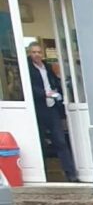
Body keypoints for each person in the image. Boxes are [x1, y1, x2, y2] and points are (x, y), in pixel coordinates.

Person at [26, 42, 78, 183]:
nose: (37, 55)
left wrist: (59, 92)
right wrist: (44, 94)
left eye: (39, 52)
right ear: (30, 53)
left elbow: (54, 82)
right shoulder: (27, 69)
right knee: (40, 142)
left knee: (60, 141)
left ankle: (70, 173)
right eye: (34, 52)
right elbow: (29, 87)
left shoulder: (47, 67)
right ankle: (41, 175)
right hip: (39, 108)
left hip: (52, 107)